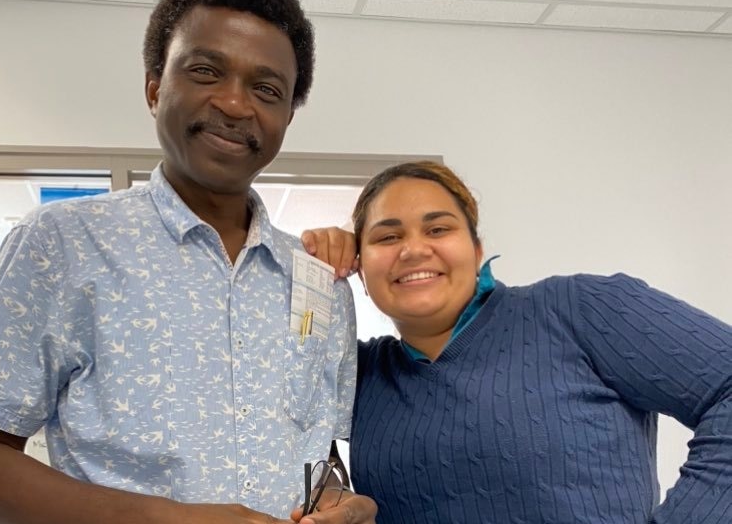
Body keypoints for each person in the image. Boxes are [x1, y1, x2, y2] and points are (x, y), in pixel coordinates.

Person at [0, 0, 376, 523]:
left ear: (287, 116)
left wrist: (339, 502)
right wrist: (165, 520)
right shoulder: (63, 244)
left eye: (267, 89)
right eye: (206, 71)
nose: (236, 104)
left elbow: (316, 449)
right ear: (153, 88)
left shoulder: (320, 281)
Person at [302, 160, 732, 524]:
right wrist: (309, 270)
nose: (413, 250)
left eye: (437, 229)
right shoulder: (359, 373)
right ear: (360, 264)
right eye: (387, 237)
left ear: (476, 248)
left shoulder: (578, 309)